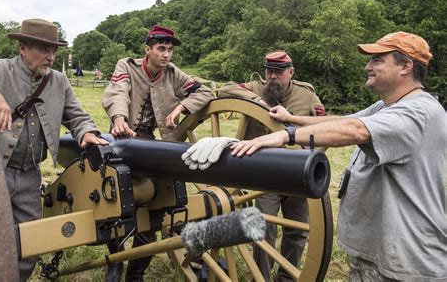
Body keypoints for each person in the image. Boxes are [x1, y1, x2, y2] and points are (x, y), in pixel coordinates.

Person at [217, 32, 446, 281]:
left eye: (377, 60)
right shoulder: (388, 105)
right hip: (382, 251)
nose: (367, 66)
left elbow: (355, 129)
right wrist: (291, 119)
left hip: (406, 261)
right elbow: (344, 120)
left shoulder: (418, 111)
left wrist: (286, 135)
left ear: (405, 66)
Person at [0, 18, 109, 281]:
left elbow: (77, 116)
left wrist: (88, 133)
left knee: (30, 242)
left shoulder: (59, 81)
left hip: (29, 175)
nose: (51, 56)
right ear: (22, 47)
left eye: (54, 50)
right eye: (44, 49)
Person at [102, 25, 215, 281]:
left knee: (157, 210)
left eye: (170, 50)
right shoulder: (127, 66)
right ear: (148, 50)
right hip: (121, 141)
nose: (166, 55)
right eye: (161, 49)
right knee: (117, 209)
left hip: (151, 144)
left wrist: (180, 109)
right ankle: (115, 261)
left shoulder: (173, 74)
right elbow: (117, 92)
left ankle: (136, 272)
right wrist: (119, 118)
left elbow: (204, 91)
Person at [217, 50, 325, 281]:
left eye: (279, 72)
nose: (273, 77)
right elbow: (225, 89)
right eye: (269, 71)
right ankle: (261, 277)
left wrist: (313, 156)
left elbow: (322, 126)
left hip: (298, 174)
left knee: (297, 231)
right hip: (265, 175)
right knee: (264, 231)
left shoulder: (306, 95)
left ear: (291, 72)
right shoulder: (256, 88)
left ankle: (286, 277)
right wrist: (257, 102)